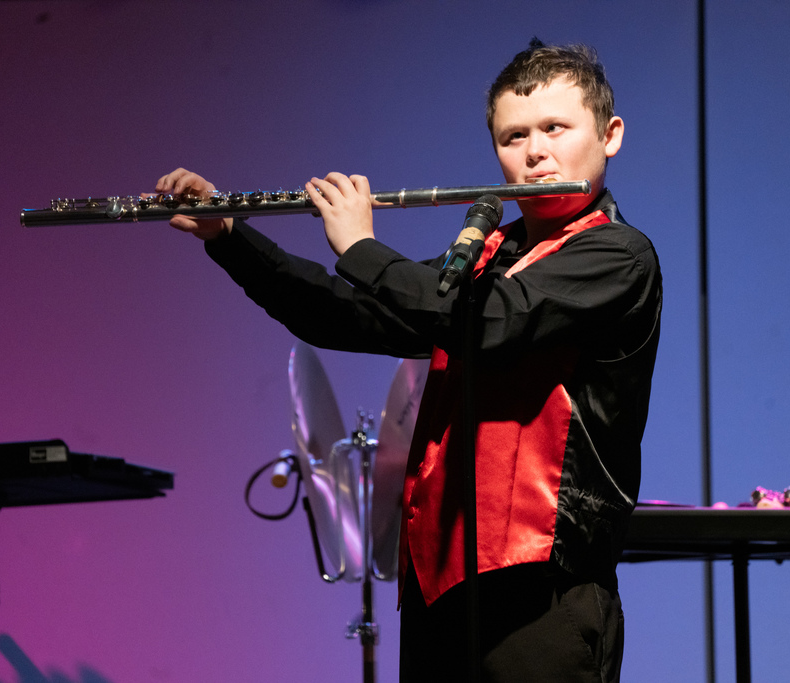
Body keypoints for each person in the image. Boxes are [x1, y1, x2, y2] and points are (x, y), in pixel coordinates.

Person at [157, 39, 661, 683]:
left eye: (555, 128)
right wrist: (229, 237)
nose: (535, 153)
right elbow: (345, 313)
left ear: (609, 135)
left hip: (543, 591)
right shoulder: (486, 257)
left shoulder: (618, 255)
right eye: (513, 137)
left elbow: (493, 323)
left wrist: (363, 248)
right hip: (441, 586)